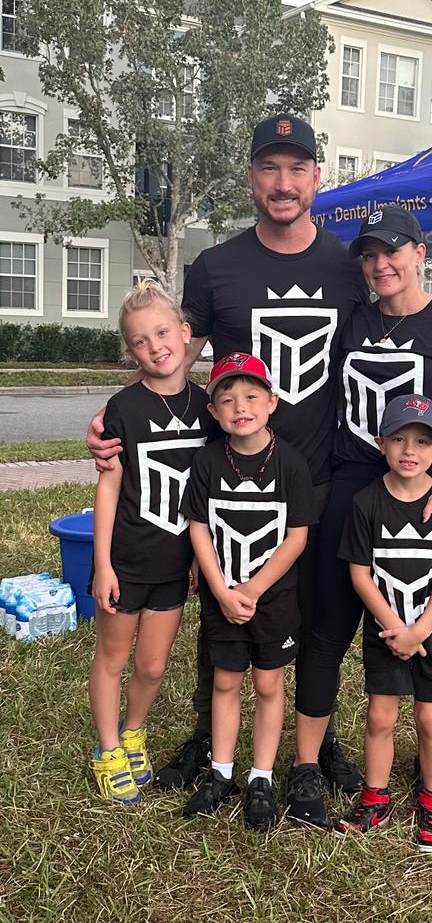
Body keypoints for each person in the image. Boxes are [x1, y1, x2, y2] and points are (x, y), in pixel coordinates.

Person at [87, 112, 368, 797]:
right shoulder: (216, 268)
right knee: (220, 612)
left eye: (296, 169)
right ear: (251, 178)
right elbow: (169, 358)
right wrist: (113, 419)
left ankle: (315, 745)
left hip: (313, 475)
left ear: (316, 178)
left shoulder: (346, 266)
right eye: (269, 168)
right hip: (226, 480)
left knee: (312, 618)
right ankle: (206, 741)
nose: (283, 183)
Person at [288, 207, 432, 828]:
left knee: (420, 620)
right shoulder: (352, 319)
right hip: (351, 486)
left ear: (421, 254)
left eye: (393, 251)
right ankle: (307, 764)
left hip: (425, 495)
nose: (381, 264)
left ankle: (427, 771)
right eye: (371, 255)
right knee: (327, 628)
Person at [88, 281, 213, 805]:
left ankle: (134, 732)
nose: (155, 347)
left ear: (184, 333)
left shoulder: (208, 406)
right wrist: (102, 564)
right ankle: (108, 750)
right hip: (127, 558)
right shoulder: (123, 407)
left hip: (175, 563)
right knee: (113, 656)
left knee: (154, 664)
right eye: (140, 341)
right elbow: (109, 486)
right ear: (130, 351)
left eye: (162, 333)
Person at [180, 352, 313, 831]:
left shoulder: (291, 463)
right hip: (222, 598)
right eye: (228, 399)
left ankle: (261, 777)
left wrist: (253, 589)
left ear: (272, 402)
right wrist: (220, 589)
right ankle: (220, 772)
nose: (241, 407)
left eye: (252, 396)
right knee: (225, 681)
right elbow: (198, 527)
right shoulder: (207, 461)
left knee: (268, 684)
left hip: (271, 600)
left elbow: (296, 536)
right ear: (213, 411)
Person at [333, 395, 432, 853]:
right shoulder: (366, 502)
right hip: (385, 629)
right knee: (380, 716)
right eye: (399, 439)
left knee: (431, 717)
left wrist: (420, 630)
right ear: (380, 443)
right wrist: (394, 628)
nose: (409, 450)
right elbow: (359, 574)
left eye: (423, 441)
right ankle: (375, 799)